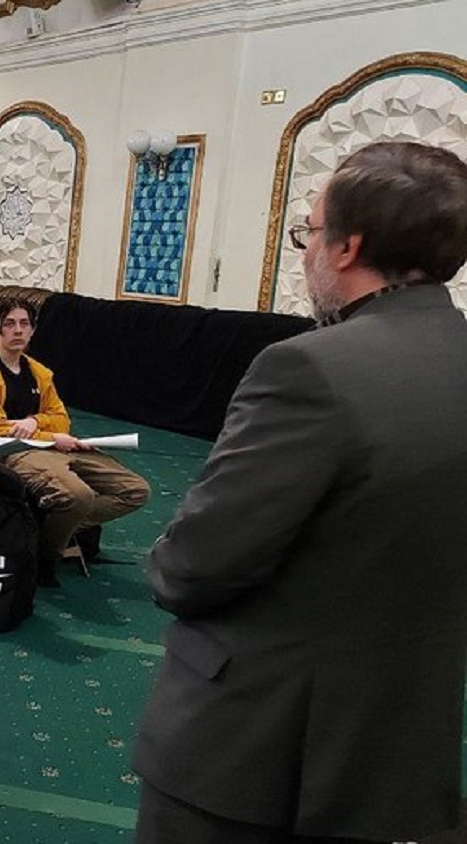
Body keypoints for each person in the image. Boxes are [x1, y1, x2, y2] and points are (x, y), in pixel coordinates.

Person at [132, 142, 467, 844]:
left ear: (347, 247)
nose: (306, 250)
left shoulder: (308, 369)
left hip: (256, 753)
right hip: (400, 738)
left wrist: (162, 561)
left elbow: (198, 564)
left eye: (308, 231)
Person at [0, 299, 149, 586]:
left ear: (33, 330)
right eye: (10, 324)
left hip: (53, 445)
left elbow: (61, 418)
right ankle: (48, 556)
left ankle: (41, 529)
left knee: (136, 490)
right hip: (12, 452)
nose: (18, 330)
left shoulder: (39, 372)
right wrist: (49, 434)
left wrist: (34, 423)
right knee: (80, 496)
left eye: (24, 324)